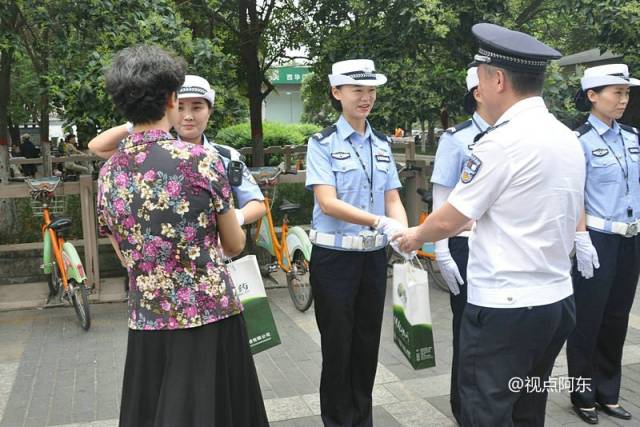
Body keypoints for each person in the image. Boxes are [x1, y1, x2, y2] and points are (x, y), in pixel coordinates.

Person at [393, 23, 585, 426]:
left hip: (505, 311)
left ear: (498, 79)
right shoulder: (565, 136)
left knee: (487, 410)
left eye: (480, 76)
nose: (477, 87)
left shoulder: (501, 142)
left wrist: (414, 235)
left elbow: (451, 218)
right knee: (528, 406)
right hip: (555, 302)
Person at [96, 44, 268, 427]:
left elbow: (123, 252)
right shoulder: (201, 161)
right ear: (172, 99)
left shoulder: (109, 173)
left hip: (147, 316)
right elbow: (235, 244)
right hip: (209, 313)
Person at [305, 59, 408, 427]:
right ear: (337, 93)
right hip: (334, 259)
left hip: (372, 260)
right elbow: (327, 202)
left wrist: (404, 233)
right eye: (357, 91)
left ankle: (361, 419)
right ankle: (337, 421)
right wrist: (379, 221)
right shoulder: (322, 144)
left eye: (371, 91)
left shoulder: (381, 143)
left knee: (366, 345)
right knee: (338, 347)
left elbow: (393, 196)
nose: (366, 98)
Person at [89, 74, 265, 227]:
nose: (188, 116)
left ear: (209, 111)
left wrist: (234, 219)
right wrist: (139, 121)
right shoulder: (149, 154)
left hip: (224, 260)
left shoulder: (226, 156)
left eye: (197, 107)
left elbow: (257, 203)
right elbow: (97, 147)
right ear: (169, 109)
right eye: (179, 107)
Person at [566, 63, 640, 424]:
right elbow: (574, 195)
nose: (623, 99)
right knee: (587, 320)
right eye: (617, 93)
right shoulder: (578, 141)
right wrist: (581, 239)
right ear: (593, 96)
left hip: (630, 239)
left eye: (626, 93)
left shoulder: (632, 137)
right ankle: (582, 395)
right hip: (596, 239)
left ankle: (608, 393)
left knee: (616, 319)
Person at [429, 66, 491, 424]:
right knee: (467, 330)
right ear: (478, 93)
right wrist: (441, 251)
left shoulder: (515, 135)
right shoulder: (456, 139)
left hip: (502, 246)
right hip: (465, 246)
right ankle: (464, 407)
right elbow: (441, 198)